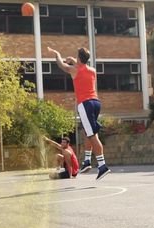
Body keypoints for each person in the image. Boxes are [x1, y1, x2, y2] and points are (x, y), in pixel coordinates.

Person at [47, 47, 110, 180]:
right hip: (96, 103)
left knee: (93, 135)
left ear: (79, 58)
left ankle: (102, 166)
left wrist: (57, 53)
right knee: (89, 132)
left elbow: (61, 64)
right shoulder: (92, 70)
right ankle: (87, 161)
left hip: (85, 104)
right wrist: (74, 60)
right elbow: (82, 66)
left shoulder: (73, 70)